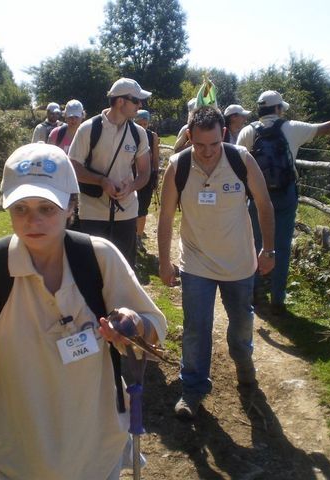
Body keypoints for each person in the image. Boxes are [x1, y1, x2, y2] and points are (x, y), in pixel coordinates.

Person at [0, 142, 167, 479]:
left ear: (71, 207)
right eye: (20, 208)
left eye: (47, 208)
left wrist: (132, 323)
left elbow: (155, 326)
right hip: (18, 451)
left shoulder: (99, 257)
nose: (33, 221)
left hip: (95, 448)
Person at [157, 106, 276, 419]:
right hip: (196, 262)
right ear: (190, 138)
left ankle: (245, 367)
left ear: (223, 134)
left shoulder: (240, 160)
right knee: (196, 328)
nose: (207, 152)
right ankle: (192, 388)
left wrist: (269, 250)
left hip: (238, 262)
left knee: (240, 324)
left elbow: (264, 205)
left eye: (213, 144)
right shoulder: (178, 165)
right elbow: (166, 216)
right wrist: (164, 261)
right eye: (199, 145)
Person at [237, 90, 330, 314]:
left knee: (255, 244)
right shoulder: (292, 128)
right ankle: (278, 299)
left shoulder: (247, 132)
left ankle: (254, 291)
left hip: (258, 196)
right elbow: (327, 127)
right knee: (281, 246)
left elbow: (241, 167)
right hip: (285, 195)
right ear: (278, 109)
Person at [68, 78, 151, 267]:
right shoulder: (89, 129)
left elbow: (144, 172)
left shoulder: (139, 133)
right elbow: (73, 167)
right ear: (121, 101)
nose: (140, 105)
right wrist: (101, 181)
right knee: (93, 271)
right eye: (137, 101)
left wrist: (131, 186)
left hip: (127, 212)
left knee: (125, 269)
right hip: (92, 212)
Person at [133, 109, 160, 252]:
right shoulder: (129, 133)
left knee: (142, 208)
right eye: (140, 123)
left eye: (145, 123)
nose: (143, 126)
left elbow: (155, 158)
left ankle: (138, 237)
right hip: (130, 176)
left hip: (146, 177)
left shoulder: (152, 136)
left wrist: (155, 175)